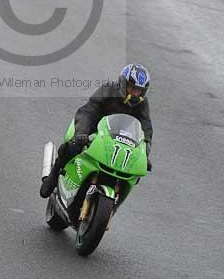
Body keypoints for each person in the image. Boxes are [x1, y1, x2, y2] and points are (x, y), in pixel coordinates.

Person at [40, 64, 153, 198]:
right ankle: (53, 176)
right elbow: (89, 111)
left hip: (121, 140)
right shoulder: (108, 90)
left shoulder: (143, 104)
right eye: (132, 88)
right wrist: (81, 133)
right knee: (73, 147)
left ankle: (116, 198)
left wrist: (144, 155)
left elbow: (146, 130)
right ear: (123, 83)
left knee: (134, 173)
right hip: (94, 131)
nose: (135, 93)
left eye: (138, 90)